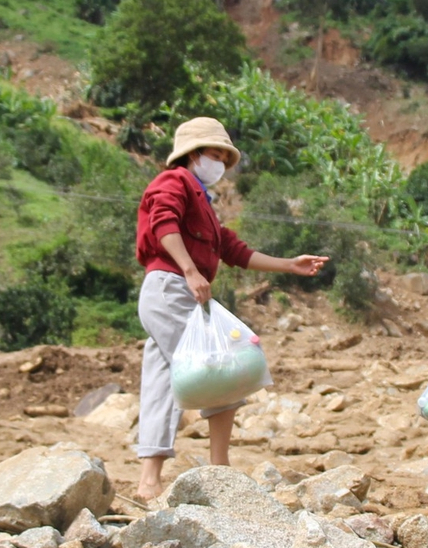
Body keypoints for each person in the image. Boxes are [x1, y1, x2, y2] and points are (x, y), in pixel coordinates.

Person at [133, 117, 328, 502]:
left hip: (176, 292)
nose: (219, 163)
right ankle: (220, 468)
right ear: (192, 154)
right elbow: (162, 224)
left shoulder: (202, 201)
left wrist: (290, 264)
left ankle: (147, 481)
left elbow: (233, 250)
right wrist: (190, 270)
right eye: (214, 154)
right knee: (217, 369)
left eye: (224, 156)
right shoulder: (174, 182)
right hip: (172, 288)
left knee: (161, 380)